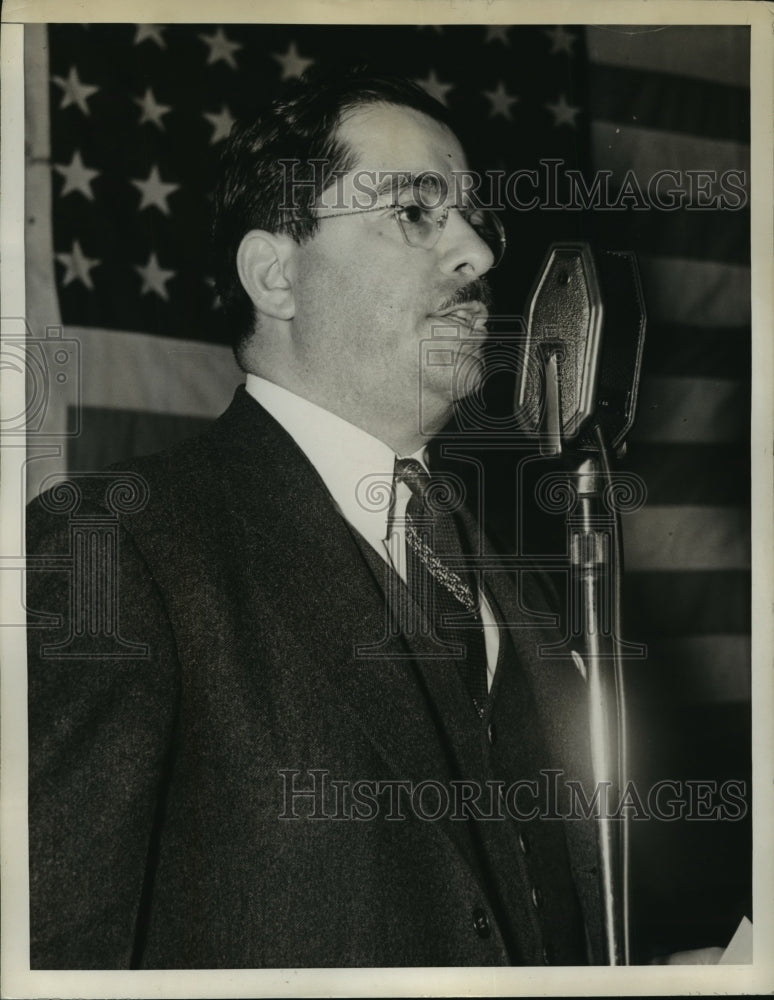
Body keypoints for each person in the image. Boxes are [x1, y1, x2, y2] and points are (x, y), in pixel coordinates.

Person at [26, 69, 606, 969]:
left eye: (479, 221)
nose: (480, 257)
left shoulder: (512, 581)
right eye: (415, 211)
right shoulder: (119, 545)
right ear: (275, 274)